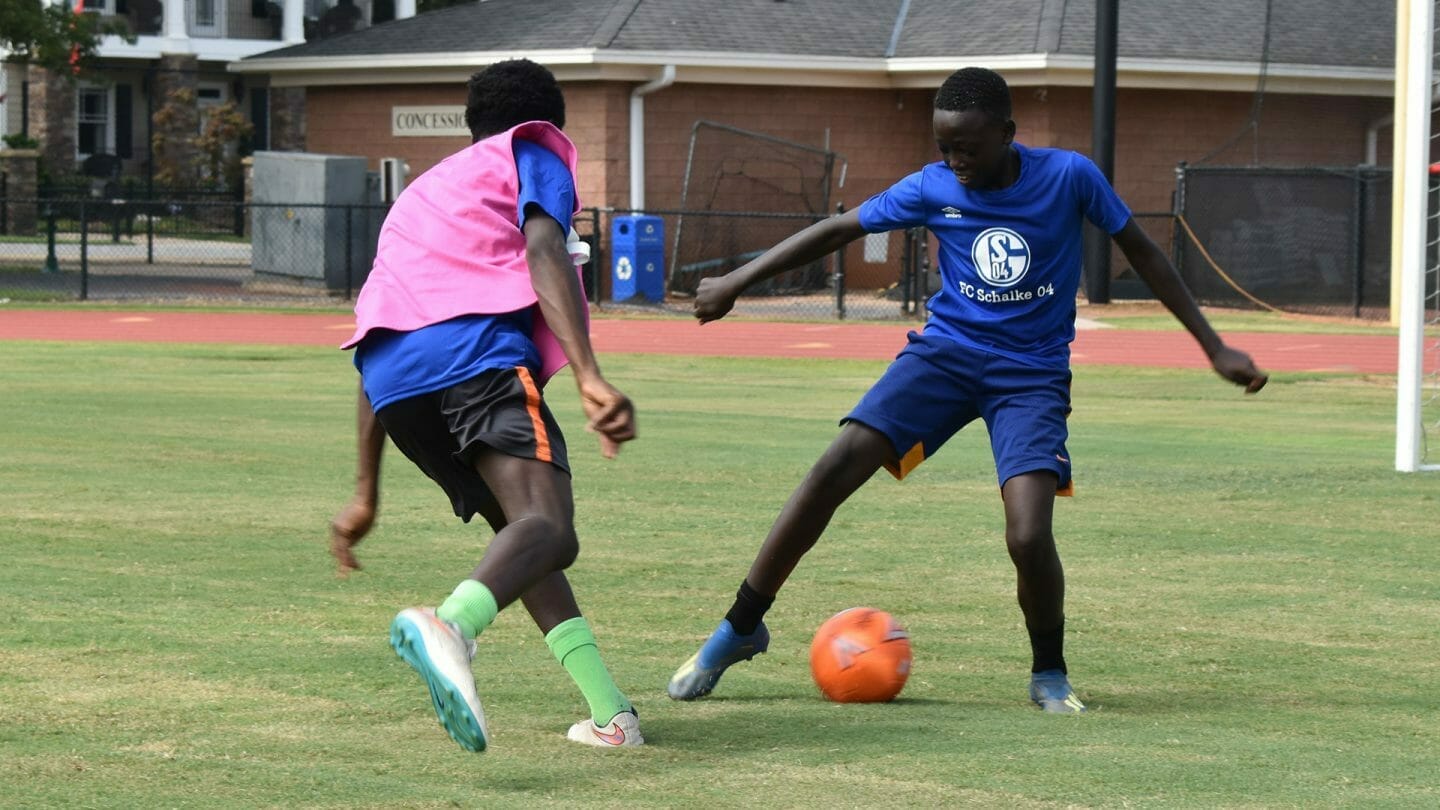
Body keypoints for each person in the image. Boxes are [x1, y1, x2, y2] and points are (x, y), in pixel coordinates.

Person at [665, 66, 1268, 714]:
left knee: (1029, 534)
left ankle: (1049, 673)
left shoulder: (1069, 177)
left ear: (1008, 134)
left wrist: (1214, 347)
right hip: (946, 357)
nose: (955, 161)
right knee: (834, 467)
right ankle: (740, 626)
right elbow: (840, 230)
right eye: (944, 146)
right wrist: (736, 281)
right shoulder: (932, 186)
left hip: (1031, 375)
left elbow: (1145, 253)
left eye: (968, 148)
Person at [341, 58, 643, 751]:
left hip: (394, 387)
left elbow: (375, 328)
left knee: (523, 538)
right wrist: (592, 374)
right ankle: (450, 625)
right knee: (549, 527)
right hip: (473, 359)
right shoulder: (532, 152)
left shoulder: (423, 196)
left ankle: (611, 715)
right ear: (547, 122)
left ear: (471, 124)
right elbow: (545, 247)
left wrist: (366, 493)